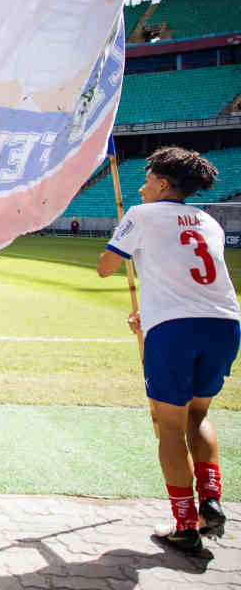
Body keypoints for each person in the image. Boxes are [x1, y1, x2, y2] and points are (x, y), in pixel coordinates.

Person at [97, 146, 240, 553]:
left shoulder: (140, 215)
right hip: (224, 323)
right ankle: (210, 499)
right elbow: (191, 276)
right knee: (199, 414)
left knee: (171, 424)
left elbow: (106, 266)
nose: (141, 188)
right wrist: (151, 309)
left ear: (162, 183)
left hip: (175, 332)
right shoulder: (208, 222)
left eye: (146, 181)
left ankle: (184, 525)